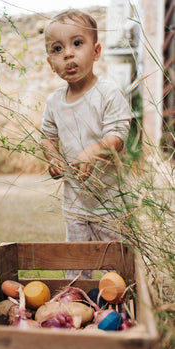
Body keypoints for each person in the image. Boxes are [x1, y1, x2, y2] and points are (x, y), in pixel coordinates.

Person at [41, 9, 132, 278]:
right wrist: (53, 158)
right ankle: (79, 308)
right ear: (50, 63)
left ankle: (119, 310)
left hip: (109, 203)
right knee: (77, 267)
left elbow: (117, 137)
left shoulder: (108, 93)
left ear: (96, 51)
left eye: (77, 43)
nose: (68, 54)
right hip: (75, 205)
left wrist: (93, 152)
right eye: (58, 48)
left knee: (114, 267)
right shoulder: (54, 102)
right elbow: (47, 138)